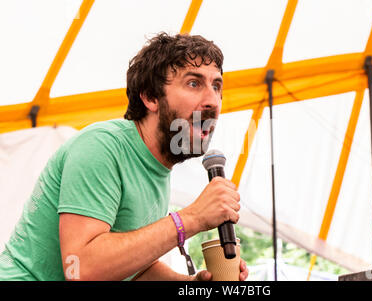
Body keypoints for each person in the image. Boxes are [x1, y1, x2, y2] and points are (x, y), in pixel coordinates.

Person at [0, 32, 249, 281]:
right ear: (150, 96)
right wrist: (192, 218)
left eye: (216, 86)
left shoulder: (158, 166)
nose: (213, 101)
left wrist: (191, 284)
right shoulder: (102, 147)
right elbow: (81, 269)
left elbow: (134, 268)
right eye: (194, 83)